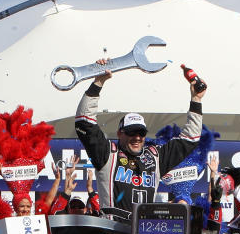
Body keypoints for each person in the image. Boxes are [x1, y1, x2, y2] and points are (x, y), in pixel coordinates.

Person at [74, 59, 205, 212]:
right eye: (131, 132)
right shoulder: (107, 153)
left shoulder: (155, 157)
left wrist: (196, 100)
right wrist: (98, 82)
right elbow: (84, 121)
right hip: (112, 231)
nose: (137, 137)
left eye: (141, 133)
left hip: (143, 233)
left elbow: (191, 138)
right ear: (119, 133)